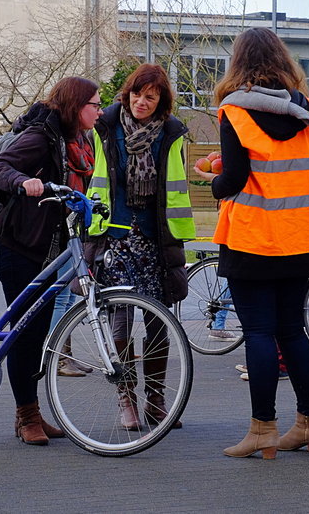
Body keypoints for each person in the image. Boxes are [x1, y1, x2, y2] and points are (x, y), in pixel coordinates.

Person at [196, 27, 309, 459]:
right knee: (293, 332)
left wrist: (213, 181)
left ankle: (262, 430)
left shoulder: (233, 111)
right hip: (302, 237)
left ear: (238, 62)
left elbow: (234, 179)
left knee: (258, 333)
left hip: (253, 237)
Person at [0, 76, 101, 446]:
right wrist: (23, 181)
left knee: (37, 334)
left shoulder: (77, 140)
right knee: (26, 332)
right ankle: (26, 416)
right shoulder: (41, 137)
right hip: (20, 245)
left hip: (50, 248)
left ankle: (32, 410)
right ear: (75, 105)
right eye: (94, 104)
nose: (99, 110)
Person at [85, 63, 196, 431]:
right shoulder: (107, 127)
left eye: (151, 96)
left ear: (161, 100)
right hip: (115, 235)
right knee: (120, 319)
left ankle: (157, 399)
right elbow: (99, 179)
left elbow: (175, 189)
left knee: (158, 321)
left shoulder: (171, 133)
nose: (141, 102)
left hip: (155, 239)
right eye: (136, 94)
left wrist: (176, 234)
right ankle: (126, 398)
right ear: (126, 93)